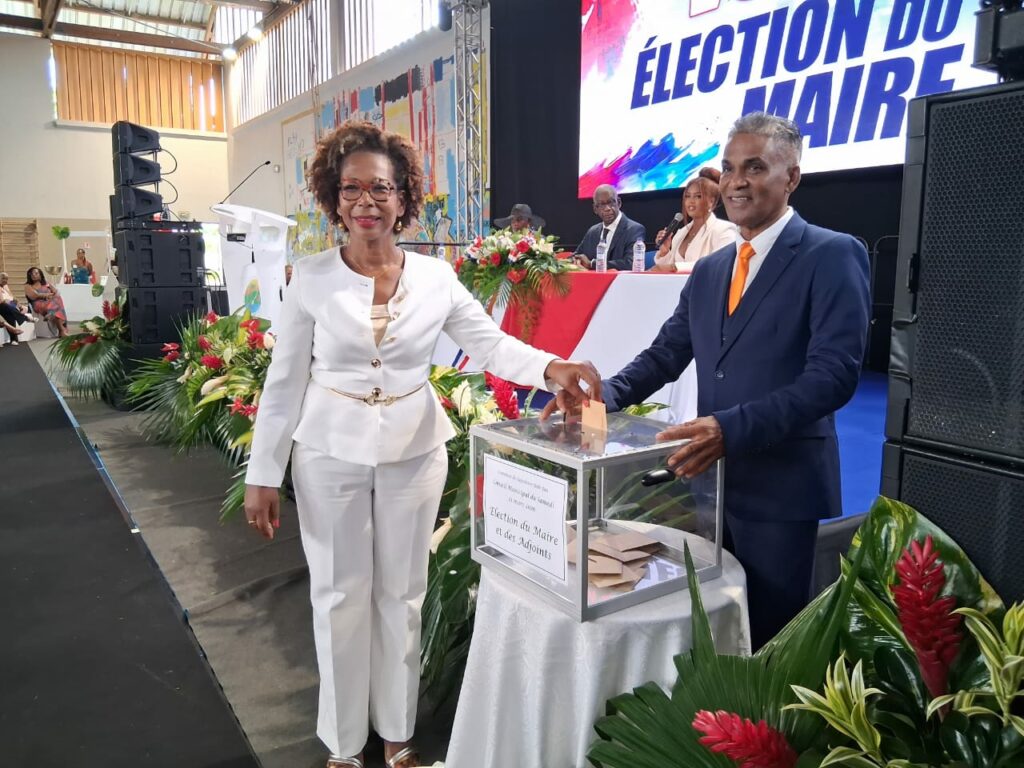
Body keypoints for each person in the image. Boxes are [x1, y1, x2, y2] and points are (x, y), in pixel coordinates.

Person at [243, 121, 602, 768]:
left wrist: (553, 367)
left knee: (403, 595)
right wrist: (262, 473)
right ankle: (344, 744)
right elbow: (284, 380)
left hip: (415, 451)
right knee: (338, 595)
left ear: (404, 196)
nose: (366, 202)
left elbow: (490, 344)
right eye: (351, 189)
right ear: (333, 198)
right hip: (327, 452)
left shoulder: (437, 278)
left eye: (380, 188)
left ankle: (397, 733)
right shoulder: (312, 278)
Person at [544, 113, 871, 649]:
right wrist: (602, 396)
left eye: (755, 168)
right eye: (730, 168)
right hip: (711, 484)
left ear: (791, 177)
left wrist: (730, 429)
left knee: (768, 641)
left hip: (780, 487)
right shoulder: (713, 269)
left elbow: (832, 377)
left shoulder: (831, 254)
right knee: (714, 631)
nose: (737, 182)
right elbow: (666, 355)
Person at [650, 168, 737, 272]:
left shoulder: (725, 230)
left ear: (711, 202)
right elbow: (667, 271)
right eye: (687, 196)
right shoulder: (681, 233)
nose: (691, 201)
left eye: (698, 196)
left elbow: (721, 265)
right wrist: (664, 252)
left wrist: (675, 267)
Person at [574, 184, 646, 270]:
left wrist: (592, 264)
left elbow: (631, 263)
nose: (607, 208)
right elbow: (576, 255)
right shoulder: (592, 232)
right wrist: (576, 261)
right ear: (595, 209)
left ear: (619, 203)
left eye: (611, 202)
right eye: (602, 205)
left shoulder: (634, 229)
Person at [25, 267, 69, 337]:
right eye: (31, 274)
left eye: (36, 273)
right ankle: (62, 330)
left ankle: (52, 316)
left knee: (57, 300)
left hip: (50, 303)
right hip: (38, 304)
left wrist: (52, 295)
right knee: (57, 305)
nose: (33, 275)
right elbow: (33, 296)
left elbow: (56, 292)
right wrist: (47, 295)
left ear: (40, 274)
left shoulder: (46, 283)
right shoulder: (28, 286)